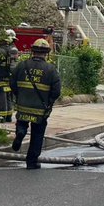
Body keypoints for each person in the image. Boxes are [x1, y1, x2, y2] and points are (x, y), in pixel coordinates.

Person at [11, 38, 61, 169]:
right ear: (46, 53)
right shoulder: (51, 69)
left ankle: (20, 132)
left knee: (21, 122)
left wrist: (19, 96)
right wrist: (49, 102)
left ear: (32, 51)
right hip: (40, 109)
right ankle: (31, 162)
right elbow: (56, 91)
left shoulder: (22, 65)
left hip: (22, 106)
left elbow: (12, 83)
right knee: (37, 134)